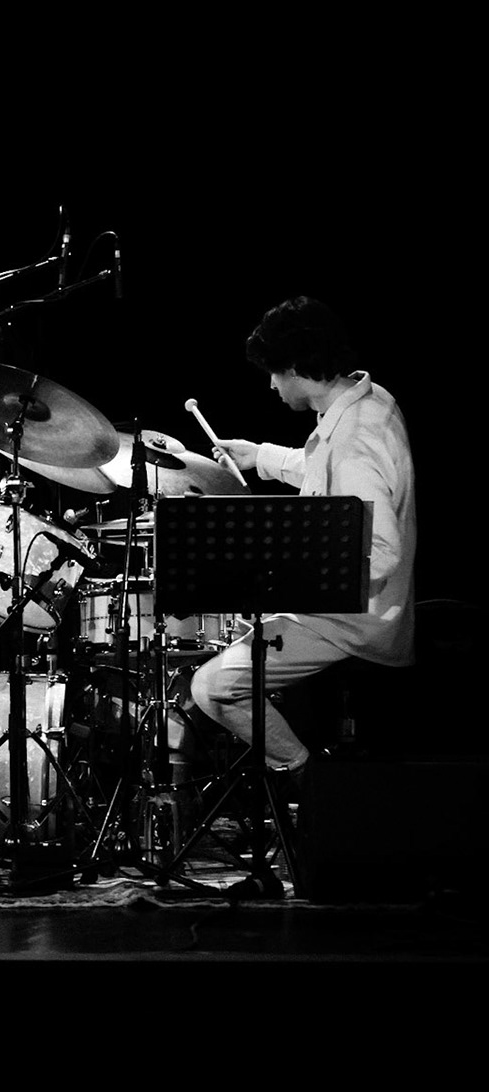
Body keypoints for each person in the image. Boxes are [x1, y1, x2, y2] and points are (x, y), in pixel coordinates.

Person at [190, 297, 416, 787]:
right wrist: (261, 456)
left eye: (275, 372)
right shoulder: (366, 401)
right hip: (347, 609)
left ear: (295, 366)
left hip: (355, 621)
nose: (272, 385)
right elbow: (331, 478)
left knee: (214, 686)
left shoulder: (355, 440)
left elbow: (380, 552)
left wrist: (286, 580)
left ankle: (310, 783)